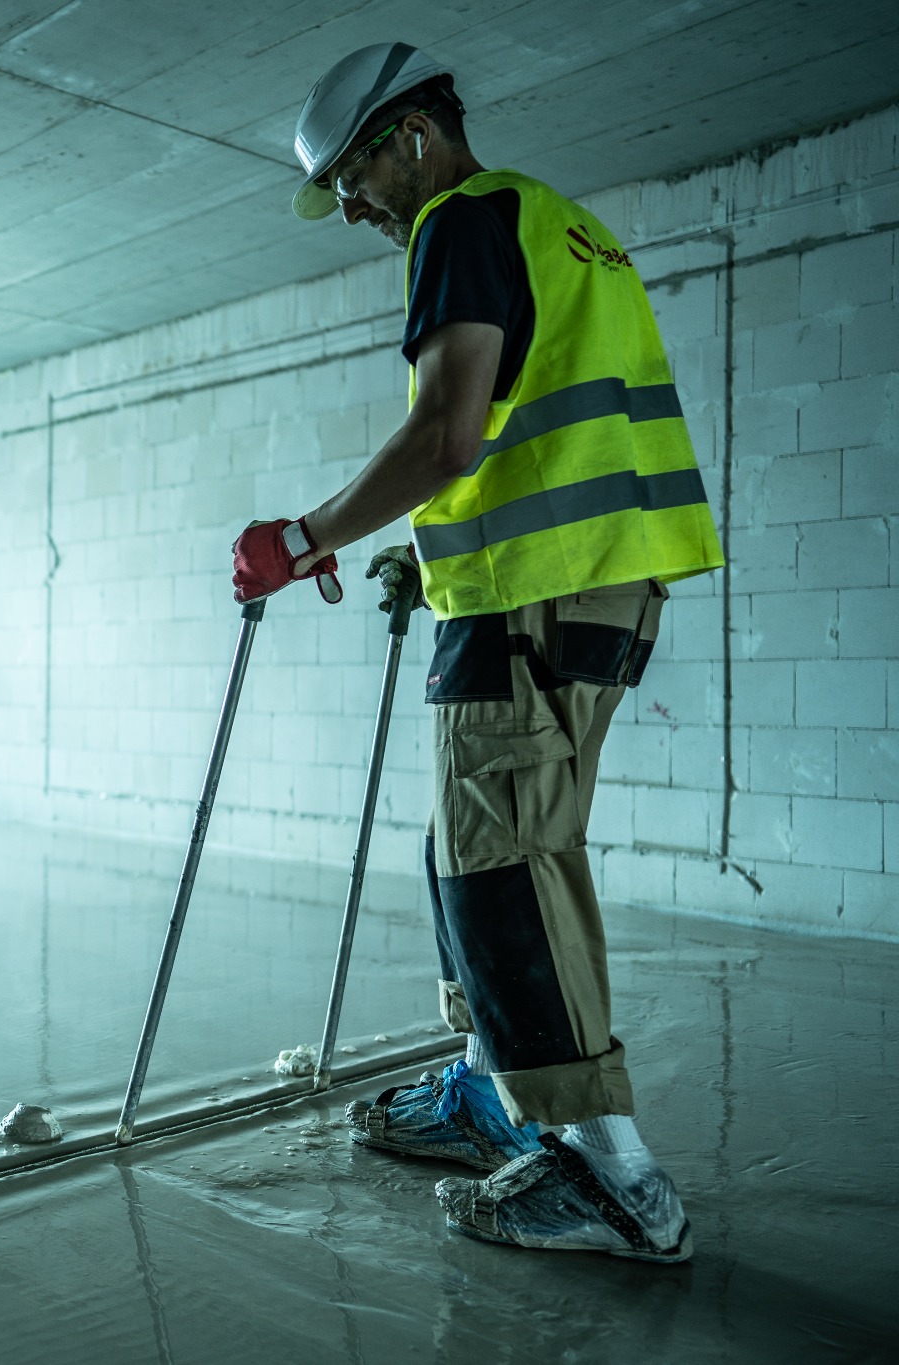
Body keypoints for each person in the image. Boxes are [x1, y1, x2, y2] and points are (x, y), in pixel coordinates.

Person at [230, 42, 724, 1262]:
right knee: (476, 854)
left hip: (533, 607)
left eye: (349, 175)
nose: (347, 207)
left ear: (408, 135)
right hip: (576, 589)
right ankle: (491, 1092)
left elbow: (445, 433)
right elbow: (524, 441)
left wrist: (301, 538)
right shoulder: (562, 226)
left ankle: (610, 1176)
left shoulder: (458, 218)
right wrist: (424, 556)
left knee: (505, 869)